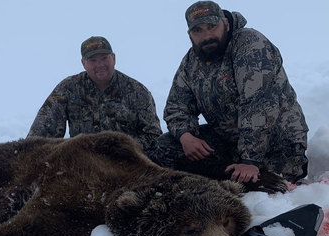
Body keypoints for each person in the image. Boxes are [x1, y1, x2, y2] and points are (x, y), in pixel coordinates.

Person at [149, 1, 308, 185]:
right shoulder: (191, 62)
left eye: (211, 27)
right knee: (163, 150)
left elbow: (259, 104)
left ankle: (285, 188)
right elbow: (176, 106)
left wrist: (250, 160)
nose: (206, 35)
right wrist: (186, 136)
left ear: (226, 24)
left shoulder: (250, 44)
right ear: (189, 35)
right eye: (198, 30)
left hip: (275, 145)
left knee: (253, 186)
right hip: (230, 145)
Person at [28, 36, 162, 151]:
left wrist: (122, 148)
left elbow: (153, 136)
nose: (100, 65)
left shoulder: (137, 91)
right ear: (83, 63)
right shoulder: (67, 89)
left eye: (104, 58)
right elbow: (40, 135)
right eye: (93, 60)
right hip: (83, 164)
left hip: (127, 163)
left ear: (114, 58)